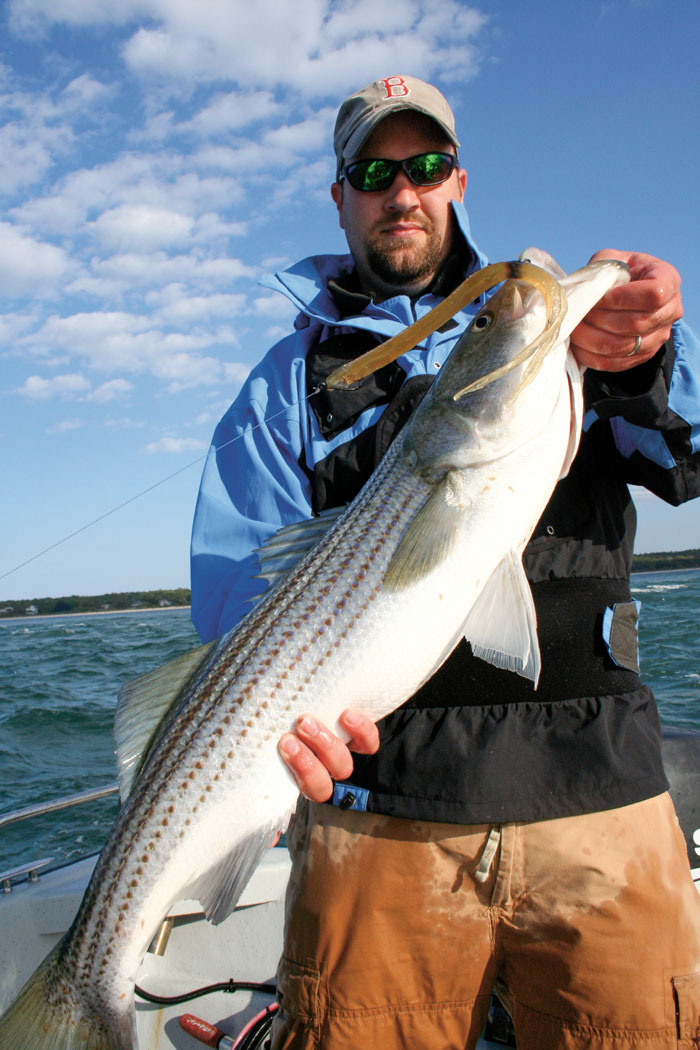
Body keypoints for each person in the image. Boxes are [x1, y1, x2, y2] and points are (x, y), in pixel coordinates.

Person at [190, 76, 700, 1048]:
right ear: (339, 196)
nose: (402, 192)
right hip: (379, 821)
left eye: (424, 166)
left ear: (457, 179)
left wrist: (647, 352)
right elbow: (233, 592)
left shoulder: (566, 335)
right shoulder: (287, 383)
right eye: (372, 173)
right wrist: (257, 714)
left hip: (599, 799)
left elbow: (683, 455)